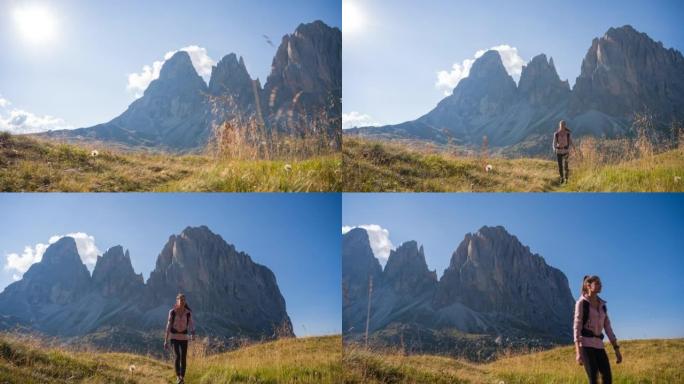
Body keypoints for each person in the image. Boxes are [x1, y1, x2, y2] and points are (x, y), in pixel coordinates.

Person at [573, 275, 622, 384]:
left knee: (607, 379)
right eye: (597, 283)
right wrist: (578, 352)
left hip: (599, 346)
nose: (601, 285)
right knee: (594, 380)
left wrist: (616, 349)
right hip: (586, 346)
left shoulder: (602, 306)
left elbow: (608, 327)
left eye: (601, 283)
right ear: (589, 286)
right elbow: (577, 327)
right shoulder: (581, 303)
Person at [164, 293, 195, 384]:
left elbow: (191, 324)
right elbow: (168, 326)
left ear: (185, 302)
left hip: (184, 337)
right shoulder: (172, 312)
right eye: (180, 300)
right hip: (174, 337)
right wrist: (166, 340)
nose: (182, 301)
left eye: (183, 300)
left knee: (183, 358)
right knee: (177, 356)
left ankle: (182, 377)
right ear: (177, 301)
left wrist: (193, 333)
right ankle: (178, 377)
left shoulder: (188, 313)